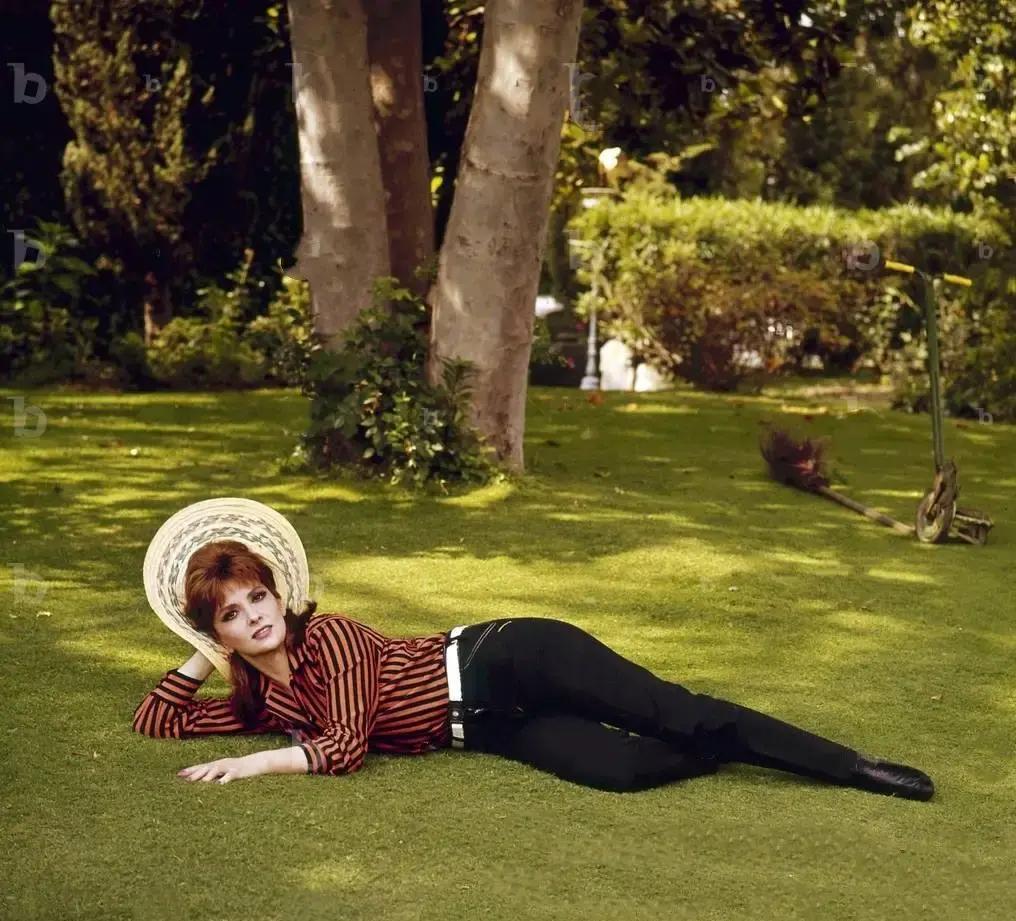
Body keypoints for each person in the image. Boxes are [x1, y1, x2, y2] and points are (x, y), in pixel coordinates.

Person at [133, 540, 934, 800]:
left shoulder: (332, 637)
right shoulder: (265, 695)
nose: (255, 615)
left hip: (508, 660)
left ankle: (851, 765)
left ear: (279, 593)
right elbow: (158, 719)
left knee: (675, 709)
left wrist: (258, 762)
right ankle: (729, 746)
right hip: (488, 729)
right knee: (623, 770)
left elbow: (342, 745)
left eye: (258, 596)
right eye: (232, 614)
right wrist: (203, 650)